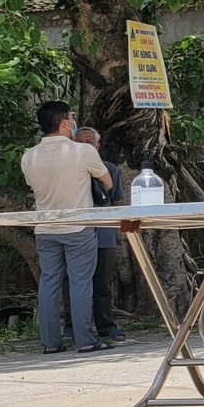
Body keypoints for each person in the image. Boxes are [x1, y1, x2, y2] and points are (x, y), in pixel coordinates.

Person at [20, 102, 113, 354]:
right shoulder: (83, 151)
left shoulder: (29, 155)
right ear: (64, 123)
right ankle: (84, 339)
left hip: (45, 226)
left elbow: (32, 186)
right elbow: (106, 181)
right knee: (81, 281)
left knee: (49, 282)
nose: (74, 122)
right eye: (72, 118)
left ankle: (51, 342)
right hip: (78, 225)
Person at [74, 127, 124, 344]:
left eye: (89, 142)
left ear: (97, 146)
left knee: (102, 283)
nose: (85, 145)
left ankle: (106, 325)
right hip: (76, 231)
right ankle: (72, 325)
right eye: (80, 142)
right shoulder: (69, 171)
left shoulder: (110, 169)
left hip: (103, 234)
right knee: (74, 281)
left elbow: (118, 200)